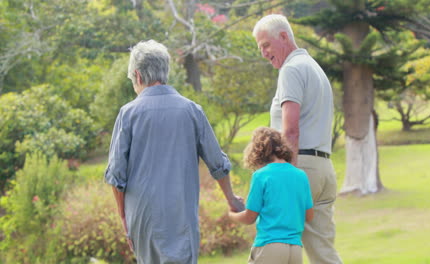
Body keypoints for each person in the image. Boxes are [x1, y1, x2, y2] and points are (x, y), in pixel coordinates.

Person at [104, 39, 244, 264]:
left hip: (142, 217)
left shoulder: (128, 114)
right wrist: (231, 199)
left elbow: (116, 177)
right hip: (181, 216)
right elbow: (217, 163)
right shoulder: (191, 110)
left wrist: (124, 217)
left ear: (138, 76)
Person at [252, 14, 343, 264]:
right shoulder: (314, 67)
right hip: (323, 169)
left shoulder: (291, 69)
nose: (263, 53)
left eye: (266, 45)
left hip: (299, 165)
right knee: (323, 253)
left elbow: (290, 130)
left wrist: (286, 177)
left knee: (272, 247)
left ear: (283, 36)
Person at [228, 127, 314, 264]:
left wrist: (232, 215)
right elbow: (309, 216)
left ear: (257, 150)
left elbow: (249, 217)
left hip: (269, 247)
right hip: (295, 249)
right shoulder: (301, 175)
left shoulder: (261, 175)